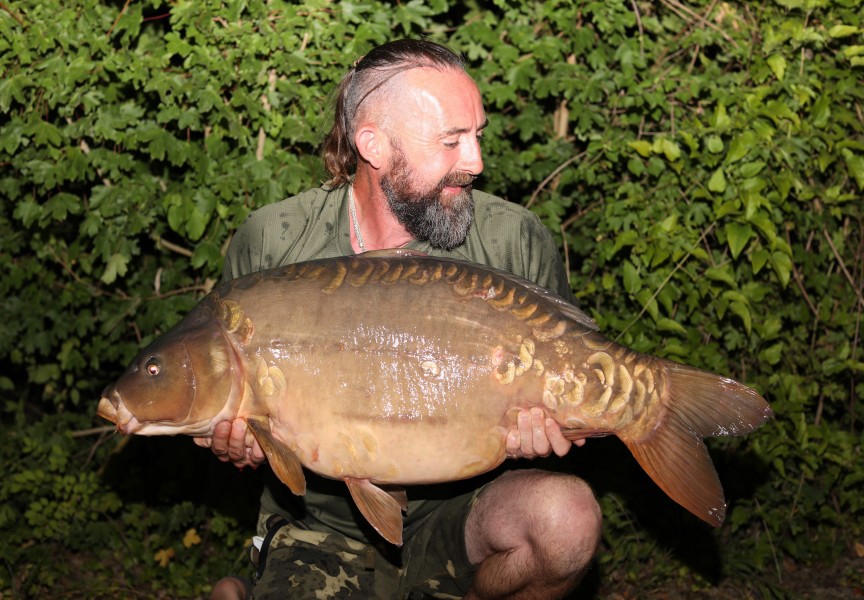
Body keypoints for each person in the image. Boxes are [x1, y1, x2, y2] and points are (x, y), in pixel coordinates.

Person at [198, 39, 602, 600]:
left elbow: (568, 378)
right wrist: (237, 443)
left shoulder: (513, 240)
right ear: (374, 146)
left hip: (467, 509)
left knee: (567, 521)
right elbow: (232, 406)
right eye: (451, 141)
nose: (477, 162)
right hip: (322, 521)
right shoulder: (275, 243)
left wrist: (550, 426)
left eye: (477, 135)